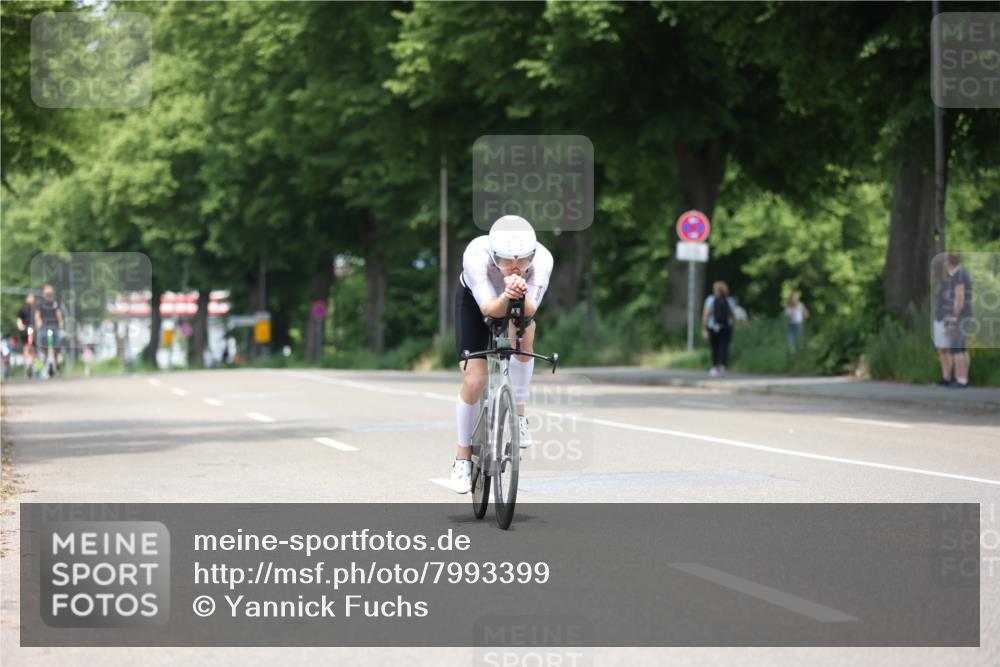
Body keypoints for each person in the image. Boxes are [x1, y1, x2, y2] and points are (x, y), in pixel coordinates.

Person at [450, 215, 554, 494]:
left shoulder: (543, 260)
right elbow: (489, 310)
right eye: (507, 261)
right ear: (494, 255)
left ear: (532, 254)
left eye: (522, 261)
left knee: (525, 336)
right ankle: (462, 458)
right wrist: (508, 295)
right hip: (477, 303)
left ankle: (519, 414)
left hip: (516, 301)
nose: (515, 267)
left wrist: (517, 297)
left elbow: (530, 310)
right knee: (475, 380)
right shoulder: (475, 255)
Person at [934, 252, 973, 388]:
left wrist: (954, 317)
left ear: (949, 262)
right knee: (962, 348)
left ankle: (961, 379)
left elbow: (959, 299)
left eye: (946, 262)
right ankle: (963, 378)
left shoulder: (958, 275)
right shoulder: (962, 274)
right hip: (965, 315)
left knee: (957, 349)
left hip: (960, 316)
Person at [701, 281, 737, 377]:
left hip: (713, 327)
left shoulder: (710, 299)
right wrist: (733, 327)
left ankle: (715, 367)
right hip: (725, 328)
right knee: (724, 347)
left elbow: (705, 315)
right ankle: (722, 367)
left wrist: (704, 329)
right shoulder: (729, 300)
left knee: (714, 347)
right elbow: (734, 316)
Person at [34, 283, 65, 376]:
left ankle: (56, 360)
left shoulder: (56, 302)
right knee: (44, 345)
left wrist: (61, 323)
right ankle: (46, 359)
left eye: (50, 289)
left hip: (54, 326)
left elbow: (59, 313)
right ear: (44, 291)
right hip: (44, 326)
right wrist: (38, 322)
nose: (48, 291)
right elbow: (37, 314)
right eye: (47, 289)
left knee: (57, 344)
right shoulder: (40, 303)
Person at [16, 292, 37, 378]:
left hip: (33, 330)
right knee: (26, 346)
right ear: (27, 298)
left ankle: (31, 362)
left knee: (32, 347)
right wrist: (20, 325)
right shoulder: (23, 309)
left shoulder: (36, 309)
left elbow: (39, 319)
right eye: (31, 297)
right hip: (26, 330)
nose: (32, 299)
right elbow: (19, 319)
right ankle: (28, 363)